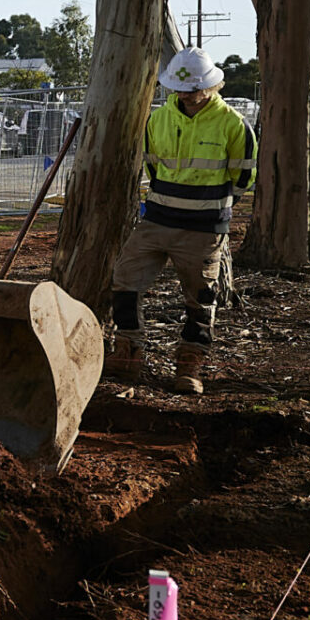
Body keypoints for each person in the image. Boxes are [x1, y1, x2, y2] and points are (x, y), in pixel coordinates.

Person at [104, 48, 259, 395]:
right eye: (180, 89)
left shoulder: (233, 123)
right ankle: (128, 352)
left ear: (211, 86)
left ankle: (190, 365)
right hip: (157, 221)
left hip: (203, 229)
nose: (186, 95)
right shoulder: (158, 119)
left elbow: (243, 178)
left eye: (193, 89)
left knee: (200, 298)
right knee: (125, 280)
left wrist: (213, 208)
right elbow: (154, 166)